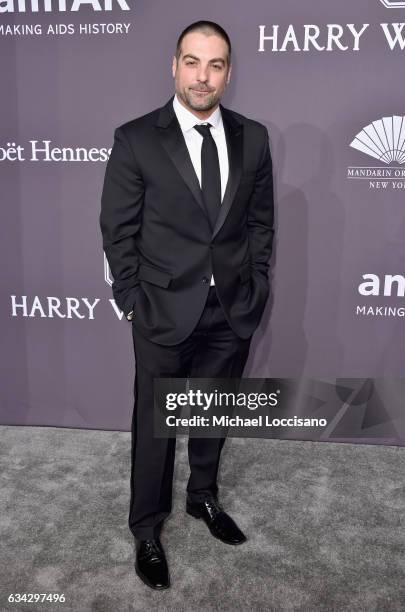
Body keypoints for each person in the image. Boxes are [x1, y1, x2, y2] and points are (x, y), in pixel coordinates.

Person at [99, 20, 274, 590]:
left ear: (229, 73)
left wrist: (257, 282)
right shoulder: (136, 139)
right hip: (160, 310)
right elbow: (117, 231)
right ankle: (147, 527)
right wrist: (131, 299)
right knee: (154, 425)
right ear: (173, 66)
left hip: (231, 309)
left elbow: (259, 222)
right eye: (192, 62)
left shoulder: (254, 137)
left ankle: (203, 497)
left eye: (216, 64)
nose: (203, 76)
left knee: (210, 412)